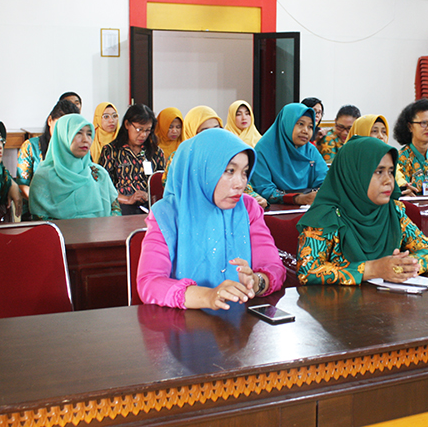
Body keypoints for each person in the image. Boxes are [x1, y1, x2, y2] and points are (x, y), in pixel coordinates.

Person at [136, 129, 285, 310]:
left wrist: (257, 282)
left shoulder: (248, 208)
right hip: (184, 326)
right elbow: (149, 282)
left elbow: (274, 268)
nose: (240, 183)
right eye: (229, 171)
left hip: (239, 325)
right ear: (202, 169)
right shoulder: (167, 213)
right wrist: (208, 296)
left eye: (245, 172)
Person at [296, 136, 428, 285]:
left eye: (390, 171)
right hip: (339, 305)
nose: (388, 181)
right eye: (379, 172)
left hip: (389, 303)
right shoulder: (326, 217)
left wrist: (406, 267)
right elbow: (307, 271)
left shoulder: (393, 211)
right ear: (354, 174)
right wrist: (372, 269)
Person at [29, 114, 119, 220]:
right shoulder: (44, 177)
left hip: (100, 235)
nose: (86, 139)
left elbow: (115, 211)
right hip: (59, 235)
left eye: (89, 134)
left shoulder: (98, 173)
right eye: (78, 133)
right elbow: (41, 221)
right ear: (63, 136)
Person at [251, 103, 328, 205]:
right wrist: (297, 199)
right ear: (287, 123)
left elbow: (326, 181)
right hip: (274, 213)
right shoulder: (263, 150)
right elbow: (264, 189)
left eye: (310, 126)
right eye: (300, 124)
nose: (306, 131)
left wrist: (318, 194)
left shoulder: (310, 150)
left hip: (307, 210)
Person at [99, 104, 166, 215]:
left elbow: (161, 184)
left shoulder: (156, 152)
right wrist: (128, 199)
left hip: (150, 207)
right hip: (122, 207)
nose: (143, 135)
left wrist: (149, 195)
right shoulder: (111, 151)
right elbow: (104, 187)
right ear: (127, 124)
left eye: (147, 130)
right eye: (139, 129)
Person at [16, 99, 80, 215]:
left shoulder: (77, 150)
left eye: (69, 128)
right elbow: (22, 185)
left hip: (70, 211)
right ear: (50, 120)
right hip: (37, 210)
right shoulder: (31, 147)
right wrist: (46, 204)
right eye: (60, 125)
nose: (63, 131)